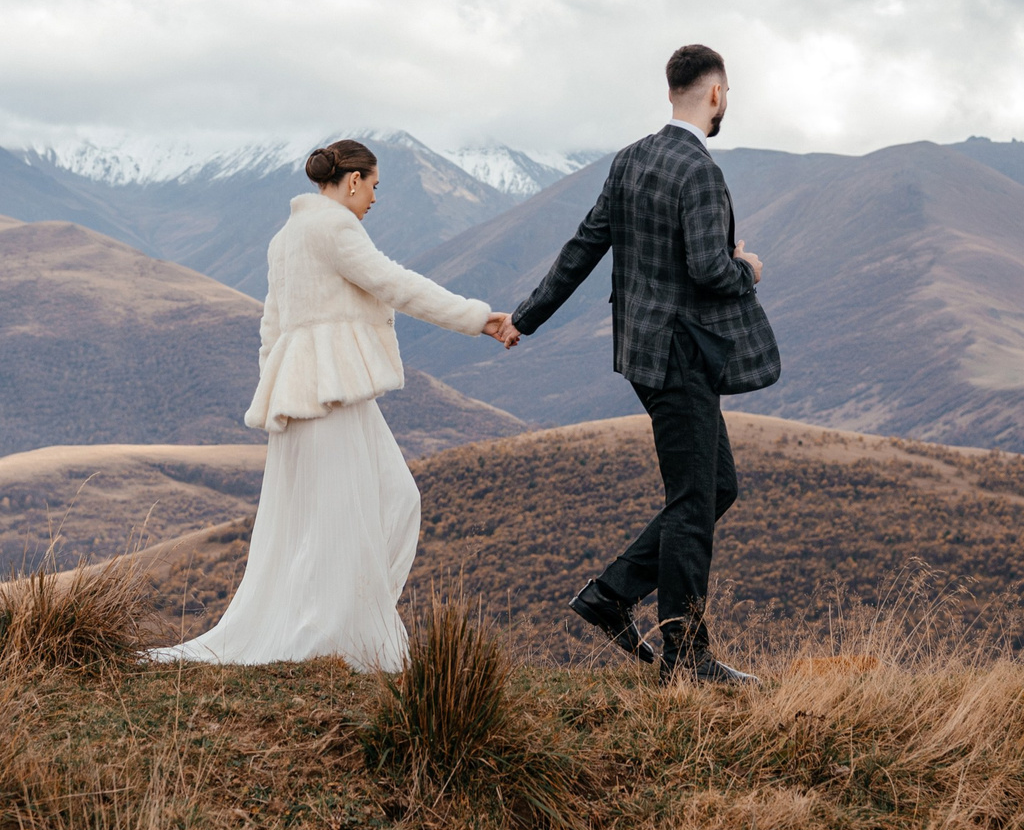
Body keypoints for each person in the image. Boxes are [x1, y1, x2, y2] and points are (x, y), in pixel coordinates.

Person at [148, 137, 521, 671]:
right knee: (357, 512)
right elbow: (394, 283)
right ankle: (339, 638)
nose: (374, 198)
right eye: (373, 186)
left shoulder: (286, 237)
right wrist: (477, 318)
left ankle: (349, 622)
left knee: (379, 503)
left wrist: (277, 390)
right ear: (352, 181)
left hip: (307, 391)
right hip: (330, 391)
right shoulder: (335, 227)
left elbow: (271, 327)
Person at [510, 44, 779, 684]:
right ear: (715, 95)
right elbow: (710, 269)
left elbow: (583, 247)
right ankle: (685, 657)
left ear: (671, 93)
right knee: (693, 502)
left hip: (641, 354)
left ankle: (610, 595)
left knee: (716, 489)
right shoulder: (701, 172)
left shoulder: (630, 160)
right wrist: (749, 270)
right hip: (685, 354)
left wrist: (524, 317)